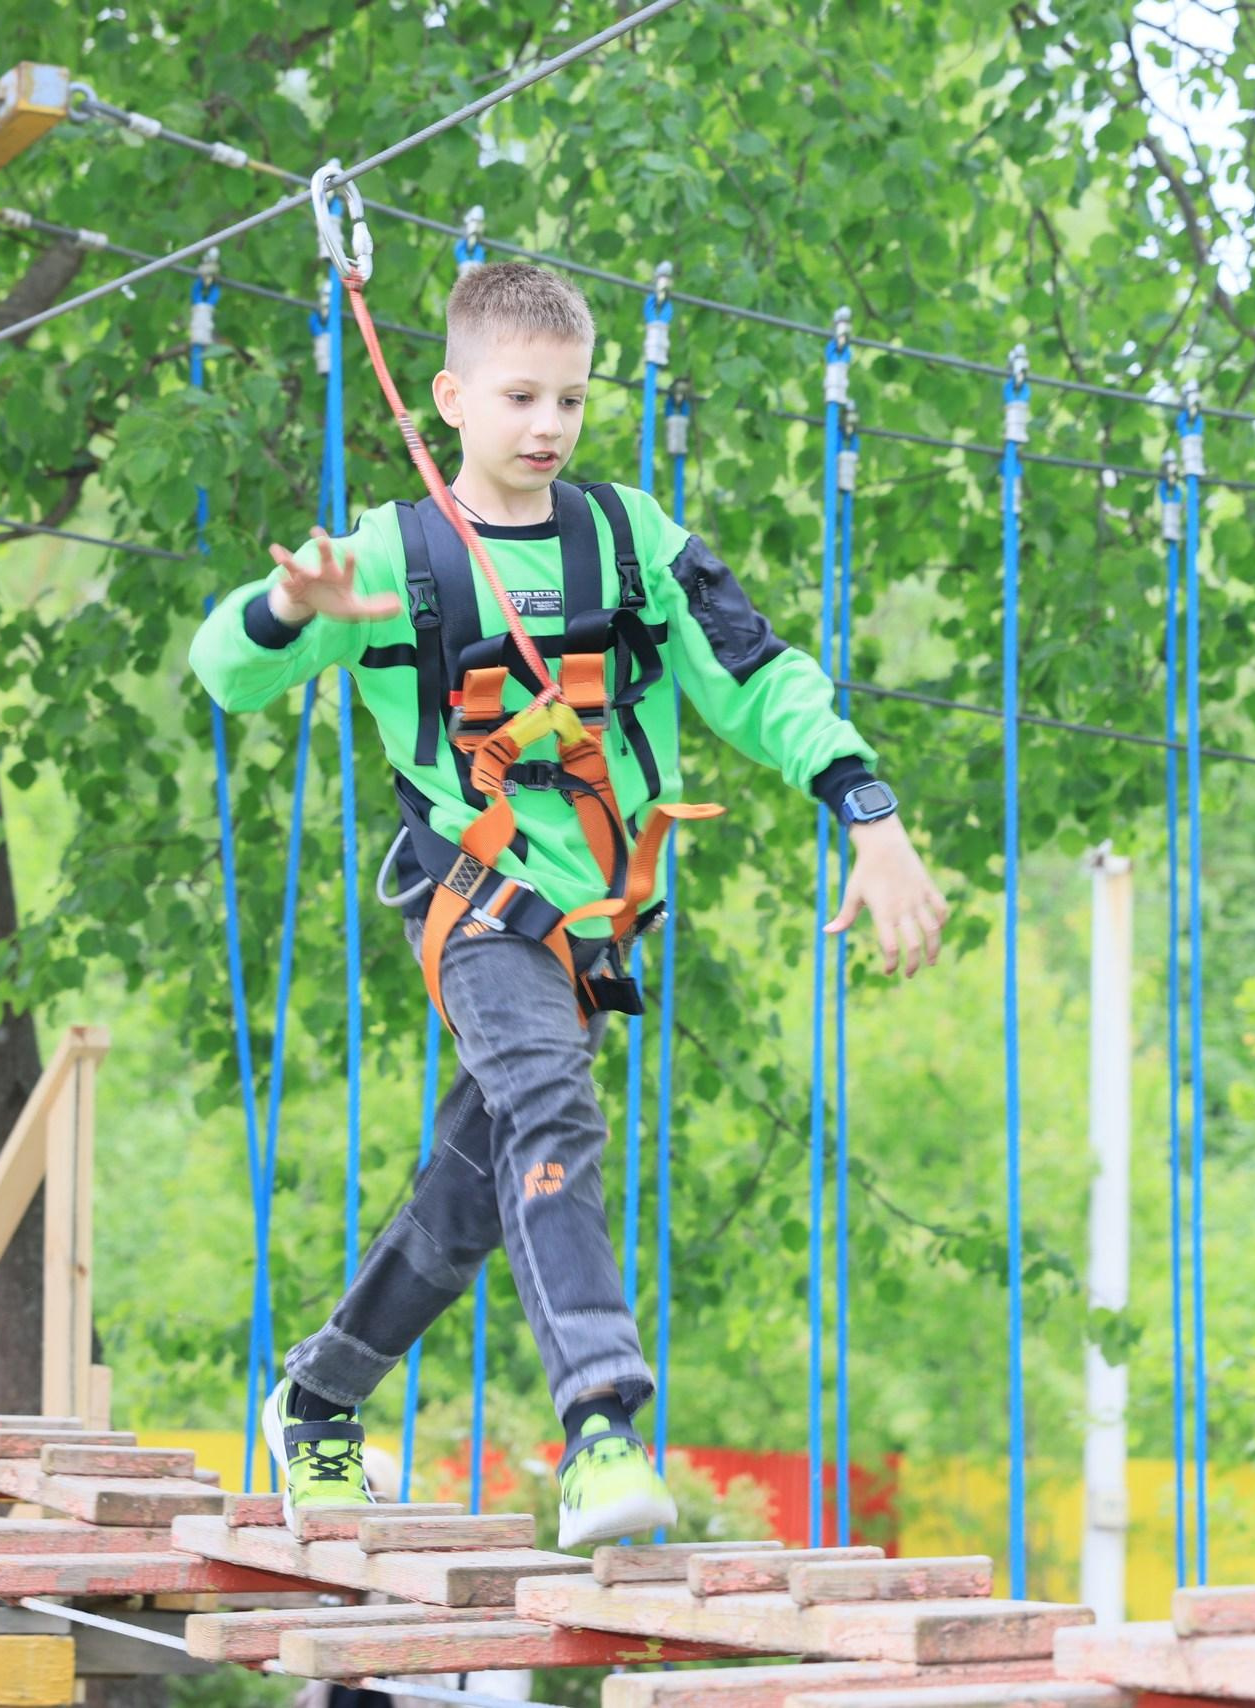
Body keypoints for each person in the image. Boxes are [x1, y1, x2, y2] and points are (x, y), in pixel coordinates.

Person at [191, 262, 948, 1546]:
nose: (546, 425)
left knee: (478, 1184)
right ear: (451, 396)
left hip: (594, 917)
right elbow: (226, 675)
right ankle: (601, 1425)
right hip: (476, 900)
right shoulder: (390, 554)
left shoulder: (629, 542)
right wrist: (281, 607)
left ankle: (317, 1404)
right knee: (551, 1104)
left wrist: (866, 812)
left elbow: (755, 676)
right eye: (520, 396)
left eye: (571, 401)